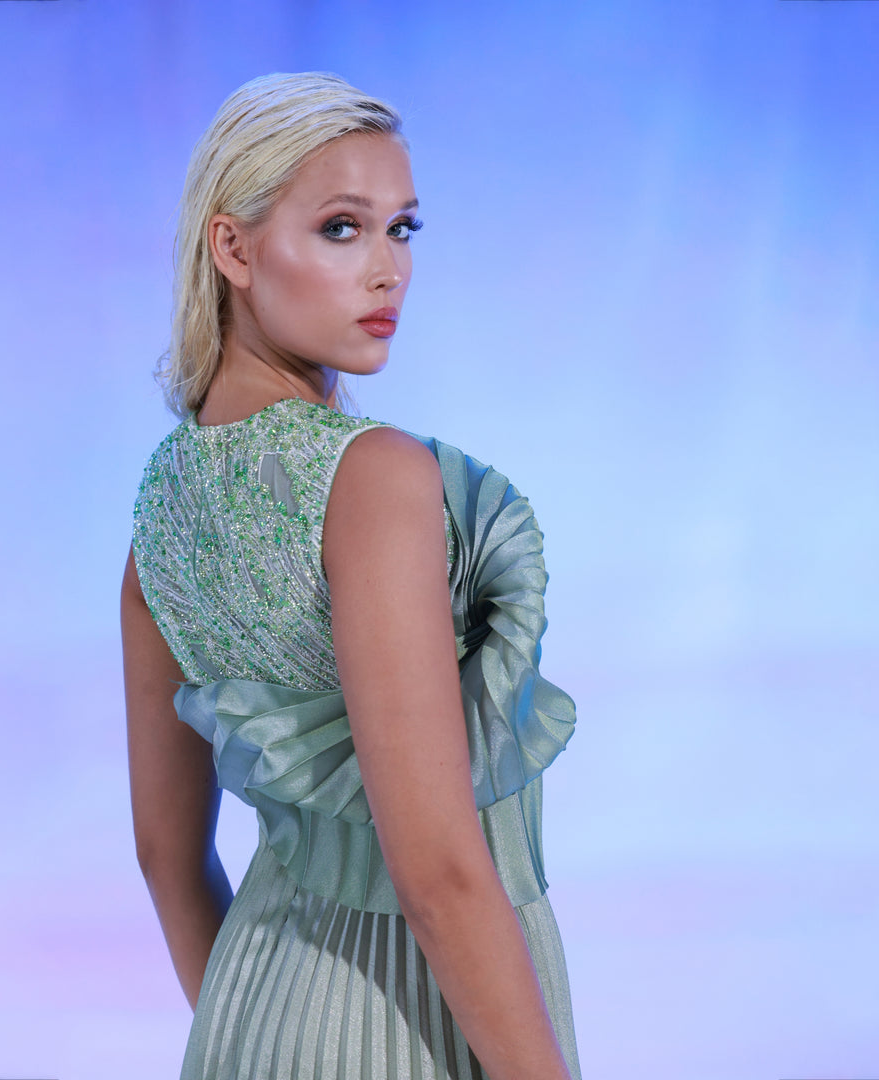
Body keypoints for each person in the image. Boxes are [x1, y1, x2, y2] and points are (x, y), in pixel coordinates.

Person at [121, 71, 582, 1080]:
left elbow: (165, 857)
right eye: (342, 228)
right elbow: (438, 872)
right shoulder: (373, 478)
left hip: (251, 1015)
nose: (388, 272)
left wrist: (261, 1033)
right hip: (414, 1025)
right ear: (233, 248)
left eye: (401, 230)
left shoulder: (162, 510)